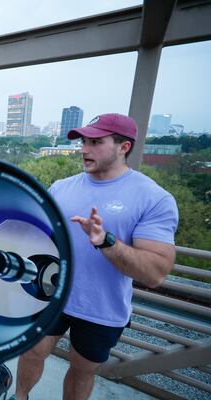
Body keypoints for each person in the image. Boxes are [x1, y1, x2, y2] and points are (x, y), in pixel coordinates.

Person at [12, 114, 179, 400]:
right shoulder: (61, 187)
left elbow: (156, 273)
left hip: (101, 307)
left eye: (96, 142)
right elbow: (37, 236)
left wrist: (106, 242)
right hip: (52, 291)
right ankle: (19, 397)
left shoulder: (154, 198)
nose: (84, 149)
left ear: (123, 147)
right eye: (84, 141)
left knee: (82, 369)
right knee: (31, 351)